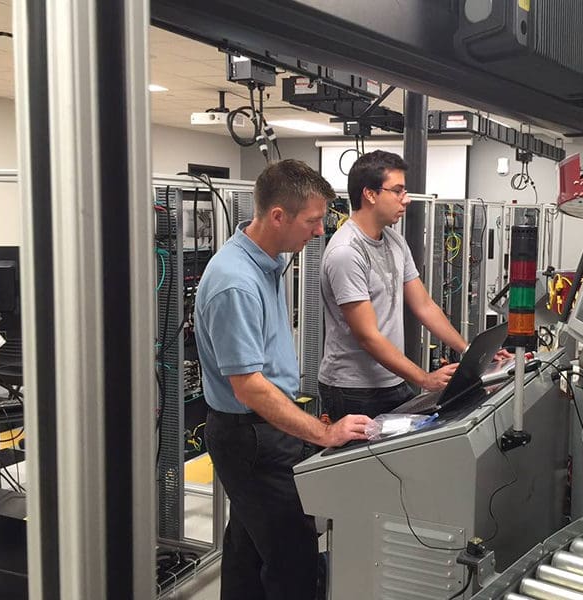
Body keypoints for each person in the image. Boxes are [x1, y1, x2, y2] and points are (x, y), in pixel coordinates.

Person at [194, 159, 373, 600]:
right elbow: (249, 386)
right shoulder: (235, 281)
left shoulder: (266, 264)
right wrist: (323, 432)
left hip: (261, 431)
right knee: (293, 559)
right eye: (312, 221)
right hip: (250, 435)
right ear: (278, 216)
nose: (318, 232)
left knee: (249, 551)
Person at [318, 150, 477, 421]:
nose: (407, 199)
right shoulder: (347, 252)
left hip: (391, 381)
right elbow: (368, 336)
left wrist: (469, 351)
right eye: (398, 191)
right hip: (353, 388)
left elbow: (424, 306)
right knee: (366, 463)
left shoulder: (394, 241)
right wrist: (424, 379)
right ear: (370, 194)